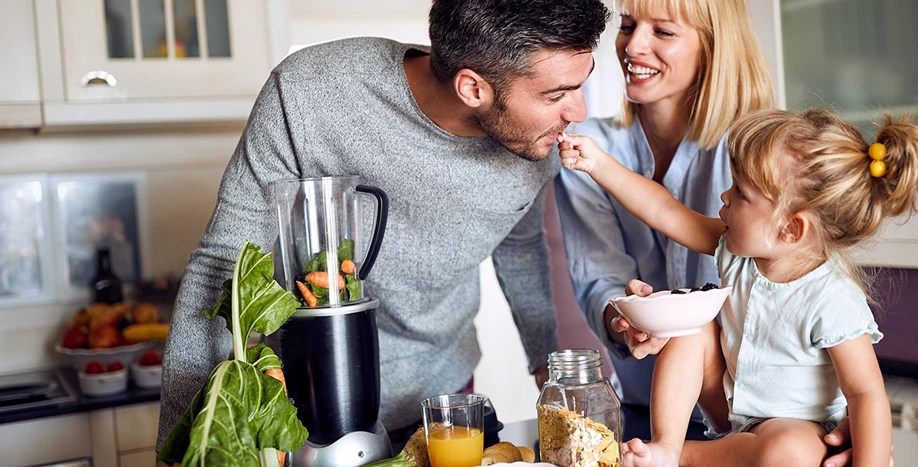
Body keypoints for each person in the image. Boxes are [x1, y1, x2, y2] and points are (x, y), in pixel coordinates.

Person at [154, 0, 611, 456]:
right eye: (557, 95)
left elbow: (518, 241)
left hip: (444, 402)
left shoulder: (538, 142)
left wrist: (544, 360)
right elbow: (222, 264)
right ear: (472, 88)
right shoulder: (308, 93)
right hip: (303, 411)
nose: (578, 110)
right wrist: (181, 443)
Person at [560, 107, 918, 466]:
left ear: (791, 229)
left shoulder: (832, 298)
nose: (725, 196)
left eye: (740, 192)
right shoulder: (736, 251)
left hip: (799, 432)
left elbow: (866, 394)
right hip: (732, 409)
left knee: (792, 453)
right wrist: (598, 164)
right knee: (692, 325)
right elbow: (664, 211)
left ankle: (683, 457)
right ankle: (666, 446)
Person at [552, 0, 773, 444]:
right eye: (628, 25)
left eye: (664, 32)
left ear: (714, 46)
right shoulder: (586, 150)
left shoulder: (759, 151)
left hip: (755, 421)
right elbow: (599, 279)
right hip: (646, 416)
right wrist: (623, 320)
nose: (633, 46)